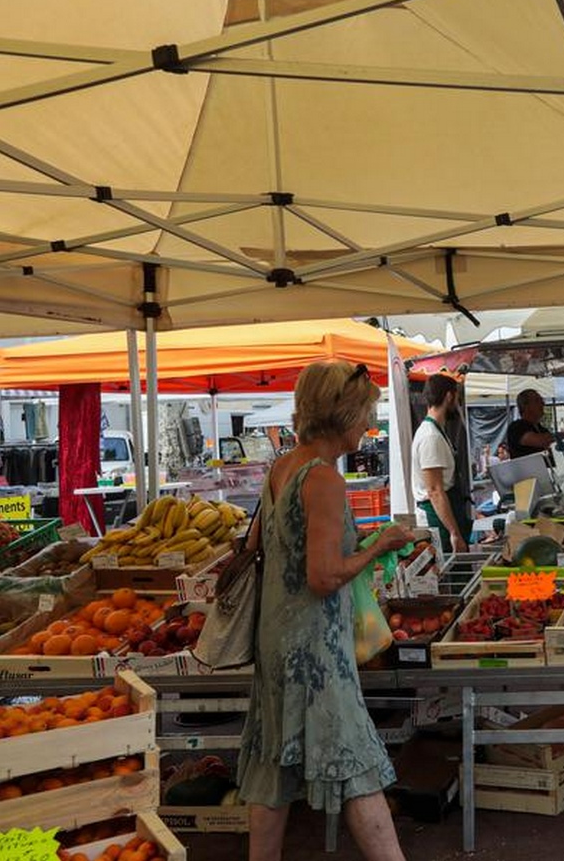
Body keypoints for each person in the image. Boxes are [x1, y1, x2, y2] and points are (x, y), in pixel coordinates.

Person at [238, 361, 414, 861]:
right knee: (355, 761)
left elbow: (258, 547)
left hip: (276, 639)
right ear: (343, 415)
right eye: (366, 415)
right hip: (316, 650)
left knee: (273, 764)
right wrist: (378, 546)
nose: (369, 426)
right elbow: (323, 576)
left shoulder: (282, 467)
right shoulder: (323, 480)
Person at [411, 373, 470, 554]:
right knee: (449, 569)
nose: (457, 405)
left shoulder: (437, 432)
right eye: (457, 399)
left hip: (446, 511)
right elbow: (435, 491)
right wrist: (454, 533)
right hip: (437, 520)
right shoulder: (430, 436)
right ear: (449, 396)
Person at [506, 388, 558, 459]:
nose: (543, 404)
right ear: (525, 406)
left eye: (542, 400)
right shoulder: (516, 428)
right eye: (537, 401)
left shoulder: (542, 430)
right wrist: (563, 437)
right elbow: (540, 441)